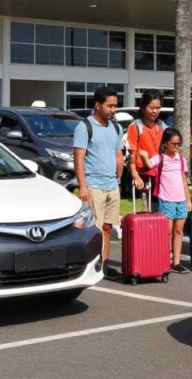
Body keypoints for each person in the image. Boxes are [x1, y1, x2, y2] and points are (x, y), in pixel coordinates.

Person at [73, 86, 124, 277]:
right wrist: (83, 186)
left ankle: (104, 265)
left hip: (112, 185)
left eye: (115, 106)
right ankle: (91, 267)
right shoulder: (84, 126)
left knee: (108, 227)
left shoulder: (116, 127)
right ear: (97, 105)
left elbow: (118, 153)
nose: (113, 110)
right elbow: (79, 157)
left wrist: (119, 176)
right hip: (94, 186)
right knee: (94, 229)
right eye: (109, 106)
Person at [150, 127, 192, 274]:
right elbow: (148, 164)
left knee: (178, 231)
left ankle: (176, 262)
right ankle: (162, 260)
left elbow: (183, 180)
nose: (176, 147)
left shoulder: (181, 160)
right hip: (166, 199)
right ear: (166, 143)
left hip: (180, 200)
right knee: (166, 232)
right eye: (173, 144)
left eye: (178, 144)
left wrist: (188, 200)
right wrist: (141, 155)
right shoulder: (160, 158)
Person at [127, 89, 166, 211]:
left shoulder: (162, 127)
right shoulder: (135, 127)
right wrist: (135, 175)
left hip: (160, 176)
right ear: (143, 108)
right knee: (147, 211)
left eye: (158, 108)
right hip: (143, 177)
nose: (155, 111)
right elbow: (132, 153)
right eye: (151, 107)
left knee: (161, 212)